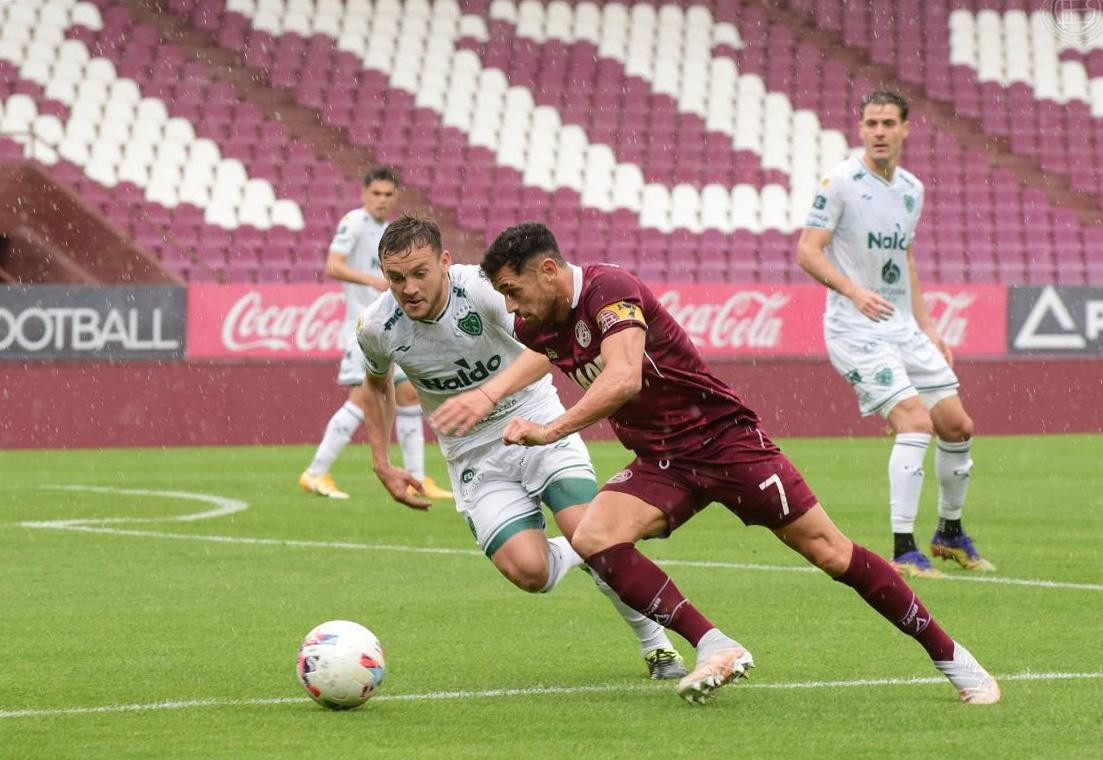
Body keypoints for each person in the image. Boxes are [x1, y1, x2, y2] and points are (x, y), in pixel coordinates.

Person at [432, 222, 1001, 706]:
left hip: (725, 443)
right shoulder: (536, 322)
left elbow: (625, 377)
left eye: (513, 290)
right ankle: (715, 645)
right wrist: (487, 395)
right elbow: (542, 352)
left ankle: (954, 659)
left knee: (830, 552)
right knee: (595, 538)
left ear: (550, 271)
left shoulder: (610, 289)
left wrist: (549, 430)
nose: (509, 306)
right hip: (662, 460)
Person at [353, 214, 688, 681]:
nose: (408, 288)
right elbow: (376, 385)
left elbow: (547, 348)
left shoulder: (484, 291)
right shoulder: (376, 326)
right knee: (533, 574)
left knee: (592, 533)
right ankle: (579, 549)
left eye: (420, 272)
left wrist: (489, 393)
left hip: (536, 422)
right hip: (473, 456)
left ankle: (657, 645)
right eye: (396, 277)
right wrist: (381, 462)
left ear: (445, 262)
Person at [797, 91, 993, 578]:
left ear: (907, 129)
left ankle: (948, 533)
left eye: (888, 123)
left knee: (957, 426)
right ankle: (904, 549)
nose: (879, 132)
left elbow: (903, 258)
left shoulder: (911, 189)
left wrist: (928, 325)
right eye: (871, 123)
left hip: (901, 324)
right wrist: (852, 290)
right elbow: (808, 250)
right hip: (853, 327)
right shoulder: (840, 181)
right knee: (915, 422)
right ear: (860, 129)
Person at [299, 167, 451, 501]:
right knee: (361, 398)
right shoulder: (354, 222)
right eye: (376, 194)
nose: (381, 200)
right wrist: (372, 280)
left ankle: (420, 479)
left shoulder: (388, 233)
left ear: (395, 197)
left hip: (391, 328)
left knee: (410, 393)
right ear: (364, 194)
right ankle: (315, 472)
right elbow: (333, 265)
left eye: (388, 194)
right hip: (364, 327)